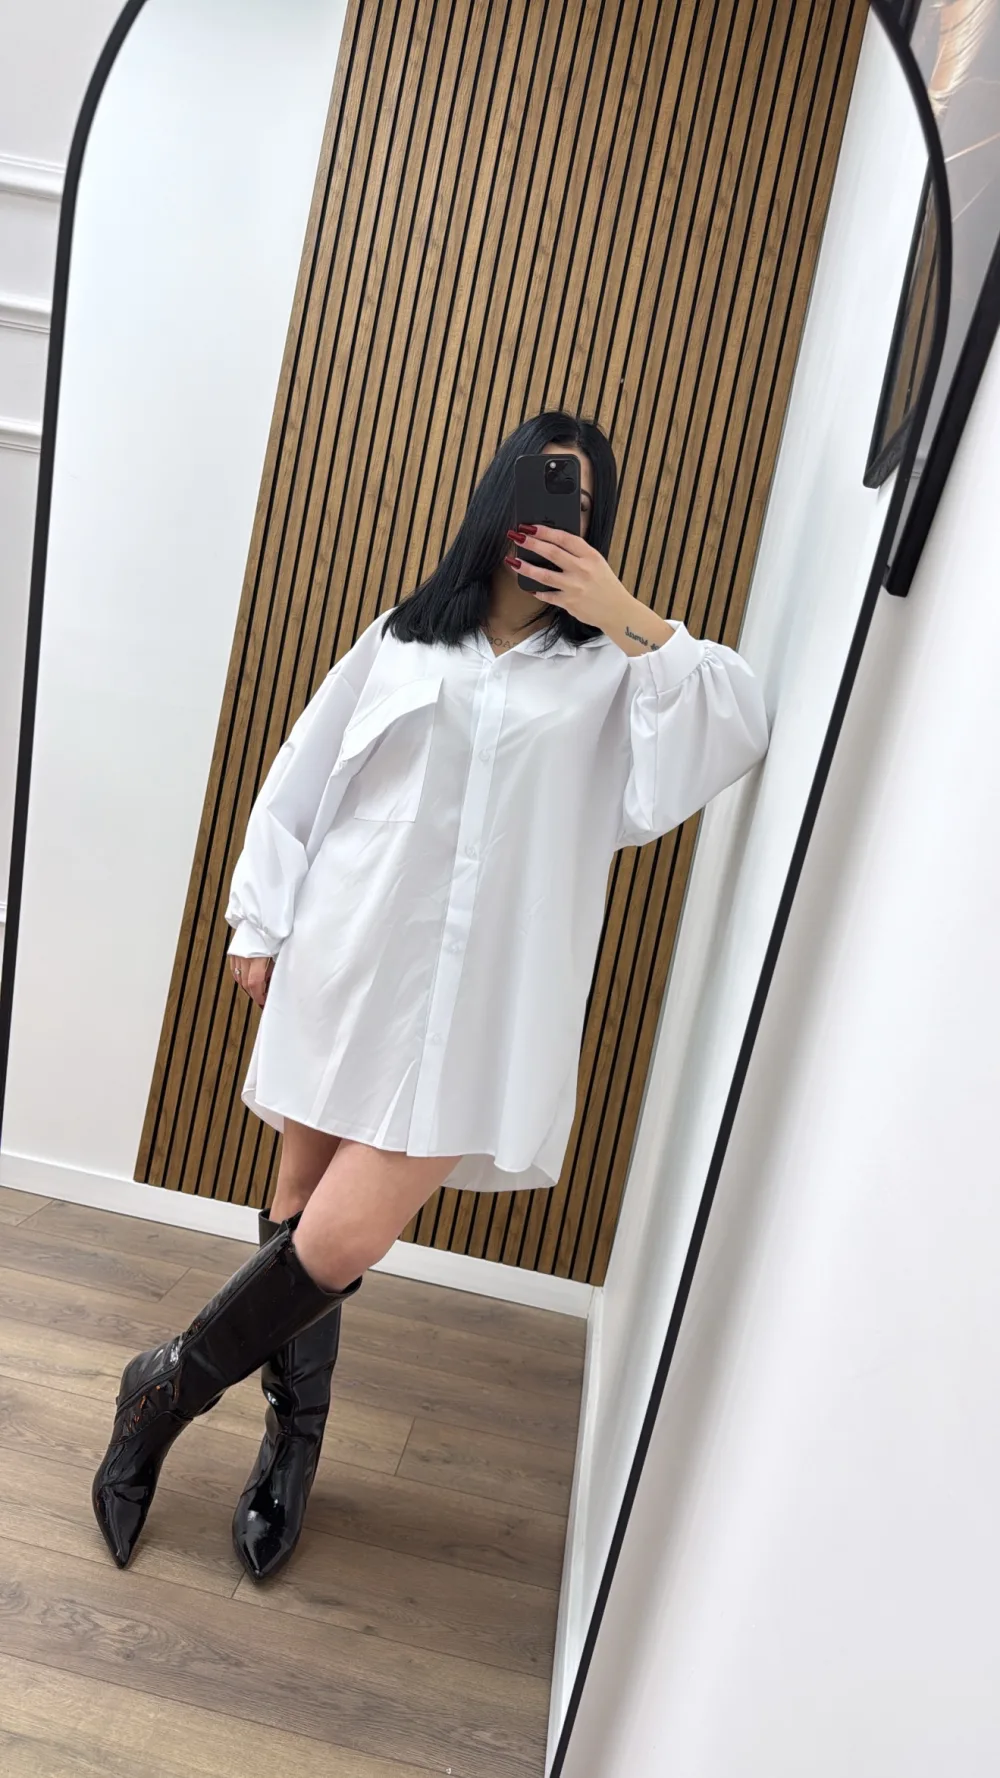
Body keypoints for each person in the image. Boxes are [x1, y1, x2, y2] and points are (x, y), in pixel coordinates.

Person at [92, 410, 771, 1577]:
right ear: (497, 501)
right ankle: (288, 1449)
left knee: (341, 1235)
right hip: (349, 958)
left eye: (580, 505)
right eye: (541, 492)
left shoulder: (616, 674)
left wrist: (627, 612)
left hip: (484, 1005)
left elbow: (734, 726)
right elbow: (301, 777)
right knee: (298, 1203)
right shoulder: (401, 639)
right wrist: (260, 920)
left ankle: (162, 1390)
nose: (555, 520)